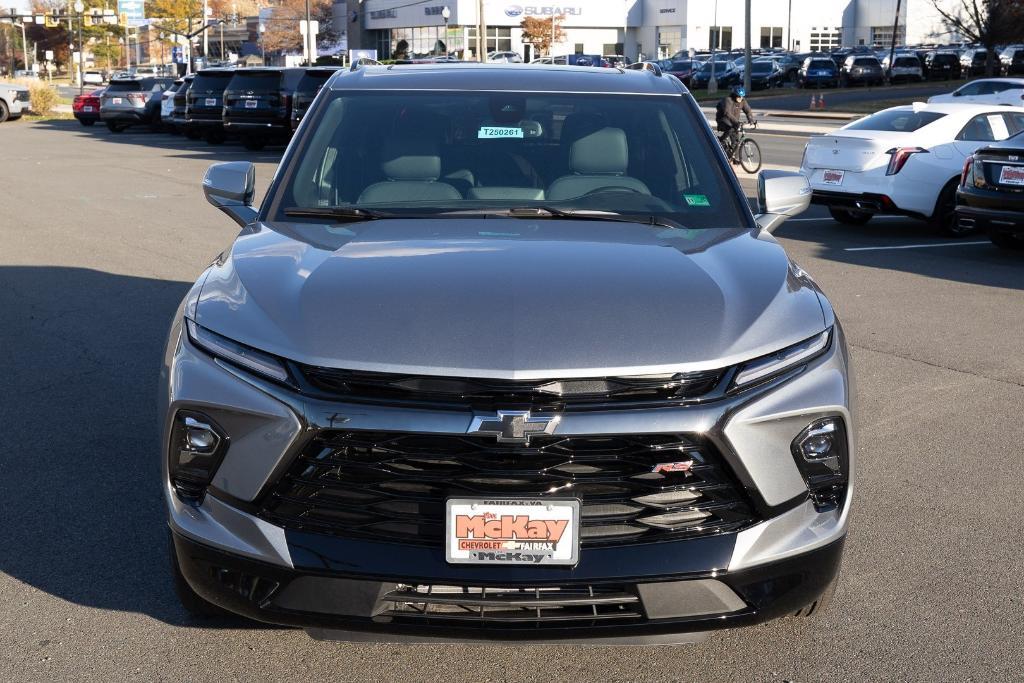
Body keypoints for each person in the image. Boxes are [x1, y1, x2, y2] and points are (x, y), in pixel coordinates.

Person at [716, 86, 755, 159]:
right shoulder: (728, 100)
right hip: (723, 120)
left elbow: (748, 110)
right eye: (739, 97)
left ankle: (735, 159)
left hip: (734, 122)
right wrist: (737, 122)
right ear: (734, 95)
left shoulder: (742, 101)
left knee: (736, 141)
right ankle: (720, 141)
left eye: (742, 97)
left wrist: (750, 119)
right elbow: (727, 113)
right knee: (731, 130)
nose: (740, 98)